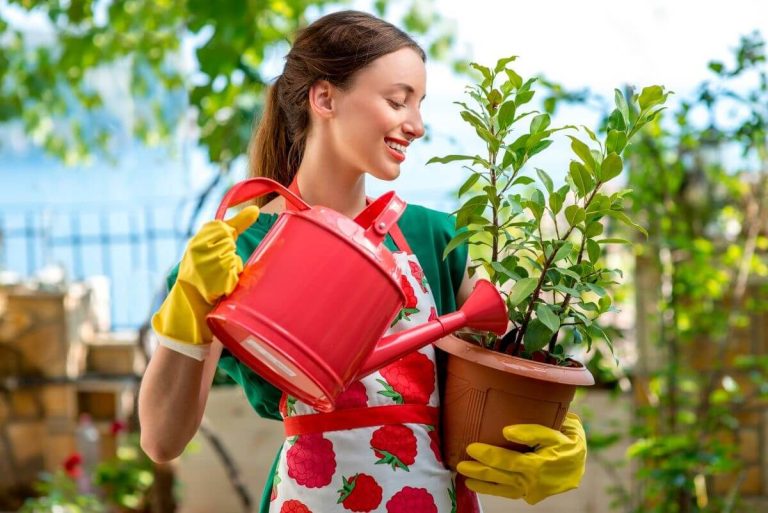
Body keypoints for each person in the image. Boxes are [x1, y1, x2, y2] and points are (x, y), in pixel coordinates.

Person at [139, 10, 587, 513]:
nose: (416, 126)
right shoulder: (235, 247)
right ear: (325, 98)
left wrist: (559, 432)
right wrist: (192, 300)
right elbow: (161, 439)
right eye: (397, 101)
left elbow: (511, 368)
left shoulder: (434, 236)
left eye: (419, 105)